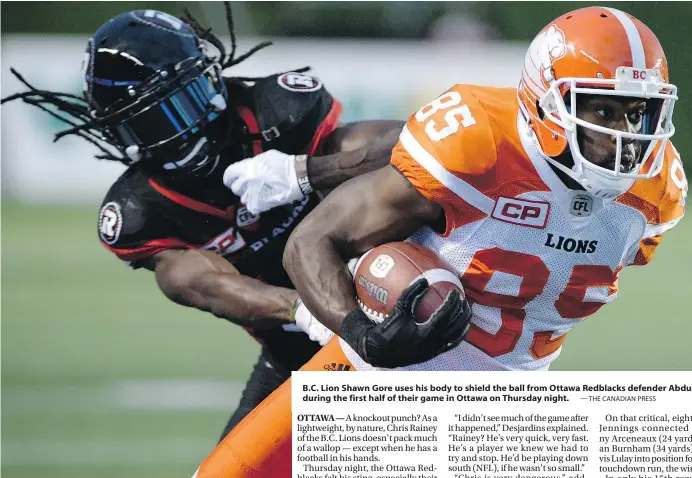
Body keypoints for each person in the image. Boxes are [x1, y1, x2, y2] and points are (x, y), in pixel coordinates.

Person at [190, 6, 688, 477]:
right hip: (367, 376)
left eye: (637, 114)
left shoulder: (655, 194)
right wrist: (360, 331)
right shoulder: (479, 143)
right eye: (602, 111)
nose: (626, 137)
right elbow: (312, 239)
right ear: (546, 102)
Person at [0, 6, 469, 440]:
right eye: (156, 121)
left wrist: (304, 172)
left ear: (210, 80)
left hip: (399, 305)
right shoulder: (141, 211)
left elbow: (415, 147)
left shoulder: (273, 110)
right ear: (124, 134)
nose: (183, 128)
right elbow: (202, 284)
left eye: (186, 102)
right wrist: (313, 313)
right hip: (304, 346)